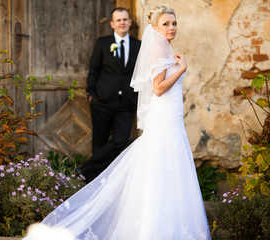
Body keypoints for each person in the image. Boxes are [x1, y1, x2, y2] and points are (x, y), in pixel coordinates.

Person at [24, 5, 211, 240]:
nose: (172, 27)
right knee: (156, 157)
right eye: (166, 24)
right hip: (158, 113)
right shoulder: (157, 49)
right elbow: (158, 88)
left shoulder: (162, 46)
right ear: (155, 27)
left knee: (167, 161)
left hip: (167, 114)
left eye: (174, 23)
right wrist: (181, 69)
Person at [79, 7, 141, 183]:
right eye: (118, 20)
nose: (122, 22)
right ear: (113, 24)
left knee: (121, 140)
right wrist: (91, 93)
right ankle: (95, 181)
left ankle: (85, 170)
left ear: (129, 22)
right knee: (99, 141)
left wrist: (137, 97)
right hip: (102, 101)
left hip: (127, 103)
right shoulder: (103, 43)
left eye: (125, 19)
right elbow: (94, 69)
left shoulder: (138, 45)